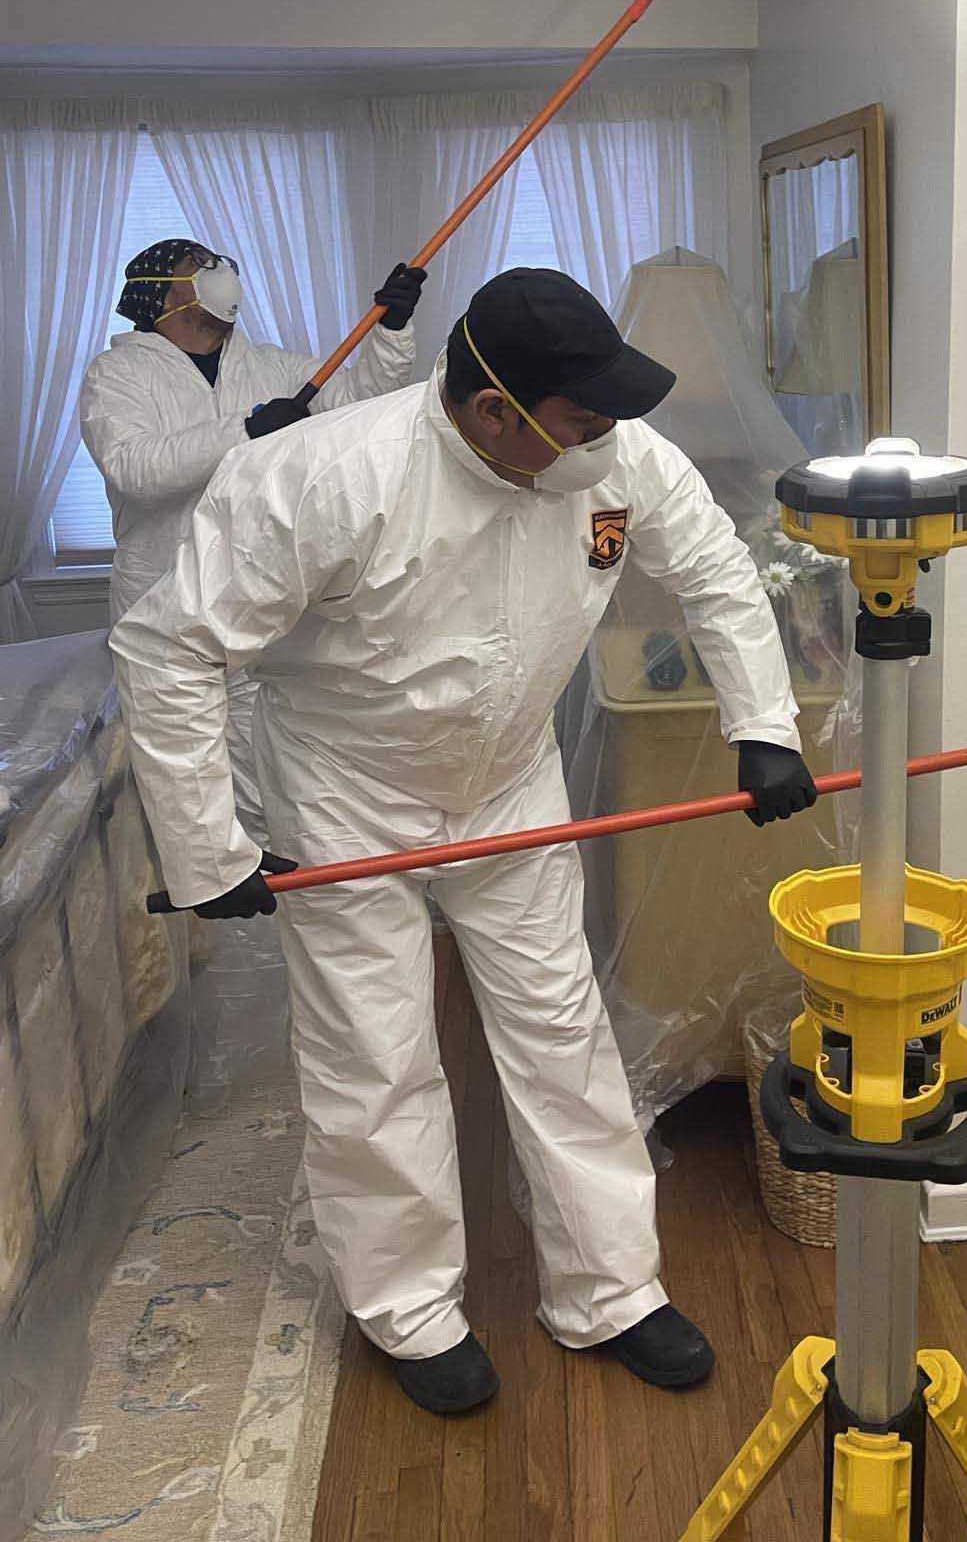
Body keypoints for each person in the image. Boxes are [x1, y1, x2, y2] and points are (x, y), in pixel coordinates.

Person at [111, 267, 817, 1416]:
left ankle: (612, 1289)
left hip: (507, 784)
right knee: (377, 1058)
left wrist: (764, 726)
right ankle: (409, 1308)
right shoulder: (322, 475)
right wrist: (209, 849)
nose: (611, 441)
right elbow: (170, 646)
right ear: (496, 412)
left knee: (562, 1034)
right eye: (583, 420)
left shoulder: (611, 459)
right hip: (347, 795)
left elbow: (719, 569)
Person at [81, 240, 424, 833]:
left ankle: (288, 893)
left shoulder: (269, 367)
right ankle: (225, 907)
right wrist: (247, 428)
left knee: (275, 771)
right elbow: (137, 469)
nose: (222, 275)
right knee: (196, 785)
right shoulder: (117, 375)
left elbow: (360, 403)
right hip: (168, 602)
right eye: (201, 268)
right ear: (160, 293)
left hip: (264, 596)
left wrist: (391, 330)